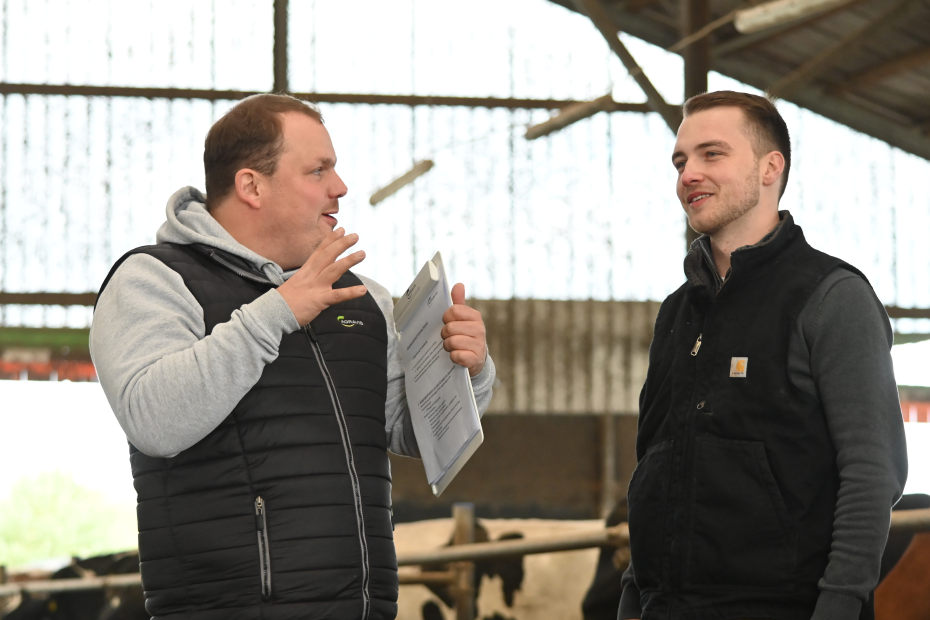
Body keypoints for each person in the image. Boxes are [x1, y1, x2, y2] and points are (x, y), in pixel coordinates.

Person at [90, 93, 496, 620]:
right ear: (251, 186)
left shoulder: (363, 297)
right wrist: (278, 311)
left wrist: (468, 371)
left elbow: (410, 434)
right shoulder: (154, 280)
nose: (340, 187)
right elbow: (155, 421)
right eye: (318, 170)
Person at [618, 91, 907, 620]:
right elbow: (657, 469)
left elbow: (873, 472)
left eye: (712, 154)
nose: (688, 174)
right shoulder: (676, 313)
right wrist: (633, 600)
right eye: (681, 161)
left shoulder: (831, 297)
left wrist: (839, 607)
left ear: (771, 167)